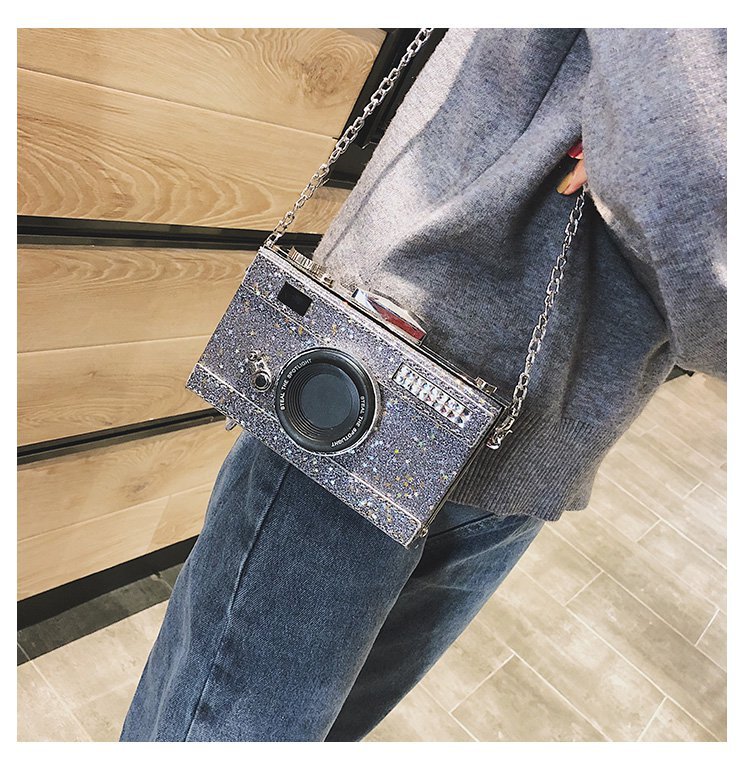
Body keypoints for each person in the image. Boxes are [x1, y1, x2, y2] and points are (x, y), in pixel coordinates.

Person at [120, 28, 726, 741]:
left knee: (251, 718)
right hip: (415, 370)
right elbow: (691, 175)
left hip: (509, 403)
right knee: (231, 723)